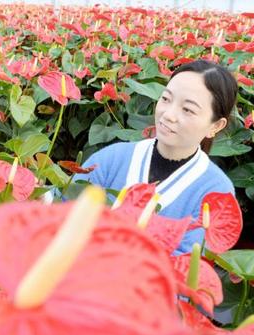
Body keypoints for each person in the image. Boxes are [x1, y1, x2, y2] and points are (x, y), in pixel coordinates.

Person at [74, 59, 238, 255]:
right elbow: (65, 215)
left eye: (187, 109)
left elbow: (188, 263)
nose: (168, 114)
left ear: (215, 126)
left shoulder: (216, 191)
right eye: (166, 99)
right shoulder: (111, 159)